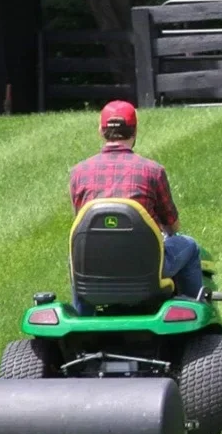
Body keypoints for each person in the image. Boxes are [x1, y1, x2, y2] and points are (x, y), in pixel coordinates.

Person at [69, 100, 204, 303]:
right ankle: (197, 310)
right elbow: (173, 225)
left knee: (78, 255)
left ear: (100, 130)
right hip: (144, 267)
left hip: (94, 267)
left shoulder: (79, 173)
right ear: (135, 131)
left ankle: (82, 314)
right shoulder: (152, 171)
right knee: (190, 246)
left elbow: (83, 225)